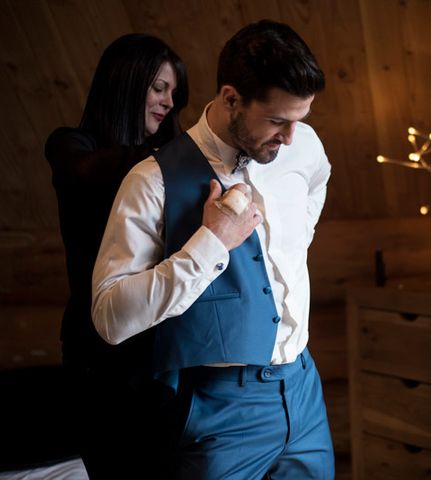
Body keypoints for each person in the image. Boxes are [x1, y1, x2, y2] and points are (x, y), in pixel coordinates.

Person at [91, 20, 334, 479]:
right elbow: (109, 317)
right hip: (221, 413)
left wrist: (292, 240)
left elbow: (317, 179)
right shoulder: (151, 180)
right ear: (230, 98)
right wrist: (211, 244)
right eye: (277, 120)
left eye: (298, 121)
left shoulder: (302, 146)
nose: (289, 139)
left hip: (304, 391)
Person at [44, 33, 188, 478]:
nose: (168, 101)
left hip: (162, 346)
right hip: (98, 351)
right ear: (126, 82)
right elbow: (87, 174)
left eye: (173, 93)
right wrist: (170, 154)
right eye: (159, 88)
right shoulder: (71, 146)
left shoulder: (169, 153)